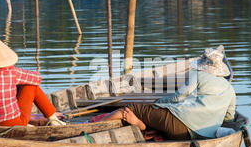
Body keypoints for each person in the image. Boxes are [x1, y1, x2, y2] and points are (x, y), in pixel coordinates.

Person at [100, 46, 236, 140]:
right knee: (159, 120)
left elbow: (179, 96)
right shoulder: (231, 91)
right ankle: (145, 127)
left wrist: (159, 103)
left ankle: (94, 124)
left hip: (178, 126)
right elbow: (229, 118)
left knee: (133, 108)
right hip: (203, 136)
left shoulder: (199, 75)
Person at [0, 35, 66, 128]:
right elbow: (37, 79)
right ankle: (53, 119)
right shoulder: (11, 72)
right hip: (13, 123)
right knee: (31, 86)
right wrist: (18, 81)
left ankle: (49, 119)